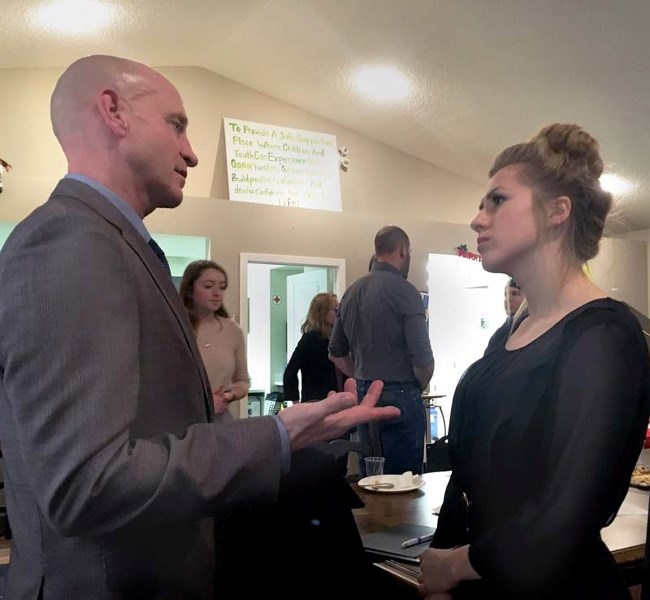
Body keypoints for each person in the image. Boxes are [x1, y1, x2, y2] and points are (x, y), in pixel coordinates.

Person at [0, 54, 400, 600]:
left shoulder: (115, 243)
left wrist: (293, 427)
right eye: (176, 124)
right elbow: (87, 484)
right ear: (112, 111)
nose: (190, 150)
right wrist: (277, 436)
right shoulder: (71, 243)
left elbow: (152, 434)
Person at [418, 123, 650, 599]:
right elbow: (467, 483)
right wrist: (439, 570)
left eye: (496, 200)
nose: (478, 219)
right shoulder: (512, 331)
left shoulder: (605, 337)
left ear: (557, 211)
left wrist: (454, 566)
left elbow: (559, 527)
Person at [329, 225, 435, 476]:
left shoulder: (352, 292)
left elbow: (335, 352)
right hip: (402, 392)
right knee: (404, 482)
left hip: (366, 395)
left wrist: (362, 376)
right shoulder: (407, 292)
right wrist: (417, 385)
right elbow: (423, 359)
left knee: (372, 477)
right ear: (402, 250)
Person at [180, 260, 249, 416]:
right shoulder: (174, 327)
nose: (217, 293)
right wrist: (203, 402)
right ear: (190, 289)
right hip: (179, 421)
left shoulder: (232, 330)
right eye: (208, 286)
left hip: (219, 420)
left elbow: (242, 380)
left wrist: (228, 396)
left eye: (222, 286)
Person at [283, 292, 340, 404]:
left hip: (339, 400)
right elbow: (290, 372)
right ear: (322, 313)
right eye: (335, 310)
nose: (339, 314)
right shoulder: (310, 340)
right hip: (316, 401)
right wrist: (296, 403)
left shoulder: (338, 339)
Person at [483, 277, 525, 355]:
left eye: (515, 293)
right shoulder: (503, 330)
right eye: (506, 295)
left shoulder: (529, 327)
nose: (508, 299)